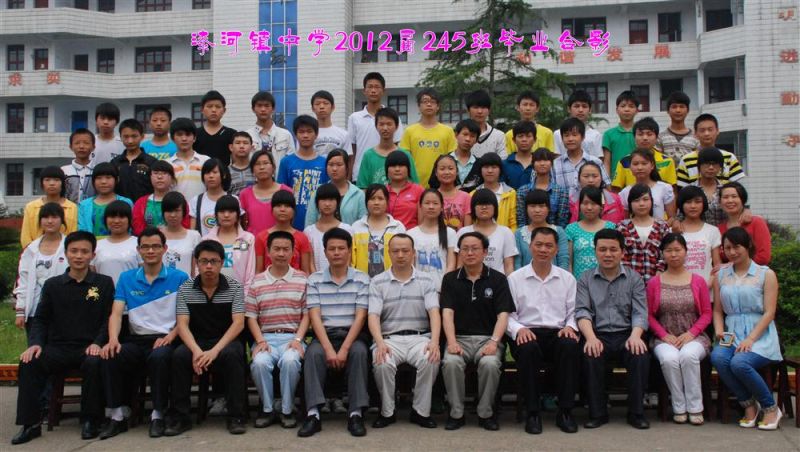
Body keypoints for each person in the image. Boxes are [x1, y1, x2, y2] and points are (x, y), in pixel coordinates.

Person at [11, 231, 113, 445]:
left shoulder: (103, 283)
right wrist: (36, 344)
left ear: (92, 255)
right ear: (66, 254)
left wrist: (97, 343)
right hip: (58, 347)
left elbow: (108, 319)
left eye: (84, 251)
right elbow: (41, 319)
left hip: (89, 347)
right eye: (74, 251)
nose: (79, 256)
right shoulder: (53, 285)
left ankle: (91, 420)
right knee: (29, 362)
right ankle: (31, 424)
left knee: (95, 362)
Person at [99, 227, 189, 439]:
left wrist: (170, 336)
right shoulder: (126, 278)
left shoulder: (179, 277)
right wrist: (113, 339)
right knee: (111, 354)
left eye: (156, 246)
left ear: (164, 249)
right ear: (138, 250)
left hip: (167, 338)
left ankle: (158, 414)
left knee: (159, 357)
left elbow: (186, 315)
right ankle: (117, 415)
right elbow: (116, 313)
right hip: (136, 339)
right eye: (145, 247)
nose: (150, 251)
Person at [166, 240, 247, 436]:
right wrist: (196, 351)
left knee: (234, 355)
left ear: (222, 263)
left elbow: (238, 323)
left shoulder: (235, 287)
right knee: (179, 356)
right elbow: (182, 324)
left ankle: (236, 416)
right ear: (196, 263)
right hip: (197, 341)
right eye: (204, 261)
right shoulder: (186, 288)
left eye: (214, 261)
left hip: (225, 341)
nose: (209, 266)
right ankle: (180, 418)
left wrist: (215, 351)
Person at [299, 228, 371, 438]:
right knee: (313, 354)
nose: (337, 252)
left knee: (359, 353)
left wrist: (345, 348)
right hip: (325, 335)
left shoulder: (362, 278)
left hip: (352, 335)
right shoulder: (314, 280)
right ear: (325, 252)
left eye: (341, 248)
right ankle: (313, 414)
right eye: (332, 249)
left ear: (349, 250)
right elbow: (314, 316)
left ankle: (355, 413)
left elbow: (360, 317)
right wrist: (329, 349)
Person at [575, 228, 650, 430]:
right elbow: (582, 312)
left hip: (627, 333)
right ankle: (597, 413)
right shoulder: (585, 279)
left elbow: (640, 312)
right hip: (598, 334)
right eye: (602, 249)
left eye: (613, 249)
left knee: (639, 355)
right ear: (595, 251)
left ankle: (636, 413)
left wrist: (636, 336)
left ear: (622, 252)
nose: (608, 254)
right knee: (590, 355)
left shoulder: (634, 278)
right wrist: (591, 338)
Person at [508, 227, 580, 434]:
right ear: (530, 246)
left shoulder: (567, 279)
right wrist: (519, 329)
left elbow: (574, 311)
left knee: (569, 346)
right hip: (527, 331)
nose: (543, 250)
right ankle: (532, 413)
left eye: (549, 246)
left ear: (556, 250)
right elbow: (508, 315)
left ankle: (565, 411)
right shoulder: (515, 278)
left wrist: (570, 326)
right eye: (538, 245)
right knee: (528, 349)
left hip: (558, 332)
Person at [440, 231, 514, 431]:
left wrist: (494, 342)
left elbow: (503, 315)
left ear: (485, 252)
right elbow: (447, 314)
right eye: (465, 249)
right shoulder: (450, 279)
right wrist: (451, 342)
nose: (470, 253)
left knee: (490, 364)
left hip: (488, 338)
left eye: (475, 249)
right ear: (459, 252)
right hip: (459, 338)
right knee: (451, 362)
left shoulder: (498, 279)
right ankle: (456, 413)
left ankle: (485, 413)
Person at [711, 227, 783, 430]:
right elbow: (717, 310)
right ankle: (749, 404)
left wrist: (751, 339)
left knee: (739, 363)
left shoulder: (766, 274)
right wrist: (719, 330)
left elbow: (769, 312)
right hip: (731, 333)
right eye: (727, 248)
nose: (732, 252)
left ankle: (770, 407)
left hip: (759, 334)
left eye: (737, 247)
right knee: (718, 357)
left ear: (748, 246)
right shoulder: (721, 275)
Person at [368, 234, 441, 429]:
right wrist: (380, 343)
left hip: (419, 337)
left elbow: (434, 313)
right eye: (395, 251)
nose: (400, 255)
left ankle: (421, 412)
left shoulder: (426, 280)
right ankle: (387, 412)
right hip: (389, 339)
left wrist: (434, 341)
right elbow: (373, 316)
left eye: (405, 250)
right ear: (388, 253)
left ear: (413, 253)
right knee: (382, 362)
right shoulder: (377, 282)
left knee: (430, 358)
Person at [647, 233, 712, 425]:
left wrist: (691, 333)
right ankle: (679, 406)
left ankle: (695, 407)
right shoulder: (654, 282)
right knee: (669, 359)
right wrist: (663, 334)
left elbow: (707, 313)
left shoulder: (698, 281)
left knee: (688, 356)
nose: (673, 254)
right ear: (662, 254)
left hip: (694, 336)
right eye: (669, 250)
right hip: (664, 337)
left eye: (678, 250)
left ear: (685, 252)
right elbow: (648, 315)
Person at [247, 231, 309, 429]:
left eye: (286, 249)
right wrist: (260, 341)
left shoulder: (303, 280)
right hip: (265, 338)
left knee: (290, 361)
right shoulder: (257, 281)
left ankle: (287, 410)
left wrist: (298, 340)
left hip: (292, 337)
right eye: (277, 249)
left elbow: (307, 315)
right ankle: (267, 409)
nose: (281, 253)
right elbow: (251, 316)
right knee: (259, 363)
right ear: (268, 251)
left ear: (293, 252)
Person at [14, 203, 68, 332]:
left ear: (62, 220)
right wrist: (20, 311)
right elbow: (23, 280)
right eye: (45, 217)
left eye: (54, 217)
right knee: (35, 344)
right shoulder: (30, 249)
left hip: (63, 310)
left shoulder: (70, 247)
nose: (50, 221)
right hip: (34, 311)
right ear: (40, 221)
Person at [347, 72, 404, 181]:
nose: (373, 90)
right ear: (364, 91)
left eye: (377, 87)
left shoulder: (393, 117)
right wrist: (349, 178)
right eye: (370, 87)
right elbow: (352, 151)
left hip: (386, 173)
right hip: (360, 174)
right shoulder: (354, 118)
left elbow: (396, 147)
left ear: (383, 91)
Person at [277, 115, 330, 230]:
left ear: (316, 134)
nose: (305, 135)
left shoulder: (324, 163)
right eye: (301, 132)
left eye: (309, 131)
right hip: (292, 224)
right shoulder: (286, 162)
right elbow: (282, 194)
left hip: (319, 223)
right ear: (295, 135)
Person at [400, 88, 456, 188]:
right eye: (425, 101)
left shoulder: (448, 131)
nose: (429, 104)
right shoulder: (409, 131)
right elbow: (404, 159)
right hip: (415, 185)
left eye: (432, 102)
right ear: (419, 106)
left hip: (441, 186)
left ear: (438, 106)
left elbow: (453, 159)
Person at [617, 184, 671, 284]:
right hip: (628, 284)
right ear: (630, 203)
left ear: (651, 201)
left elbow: (666, 253)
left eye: (645, 199)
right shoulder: (622, 227)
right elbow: (620, 256)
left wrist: (659, 273)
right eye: (636, 200)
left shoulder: (662, 227)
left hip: (656, 282)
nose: (641, 204)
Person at [455, 189, 517, 275]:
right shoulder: (463, 232)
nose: (484, 207)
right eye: (480, 204)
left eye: (488, 204)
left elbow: (509, 266)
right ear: (473, 208)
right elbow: (460, 265)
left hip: (497, 281)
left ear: (495, 207)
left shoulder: (505, 232)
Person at [203, 195, 256, 295]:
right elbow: (200, 270)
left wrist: (244, 297)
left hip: (240, 296)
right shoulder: (206, 240)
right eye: (222, 211)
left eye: (231, 211)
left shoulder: (247, 239)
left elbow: (250, 272)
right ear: (216, 215)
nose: (226, 215)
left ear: (238, 215)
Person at [676, 114, 745, 188]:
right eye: (702, 130)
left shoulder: (729, 158)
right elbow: (683, 190)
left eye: (710, 129)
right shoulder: (686, 160)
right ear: (695, 134)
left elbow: (735, 188)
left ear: (717, 131)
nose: (707, 133)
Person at [356, 107, 419, 189]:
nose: (385, 128)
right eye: (381, 124)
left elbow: (415, 186)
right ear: (376, 126)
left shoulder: (405, 155)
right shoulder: (368, 156)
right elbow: (362, 187)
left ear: (396, 126)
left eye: (389, 124)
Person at [352, 184, 406, 278]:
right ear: (366, 202)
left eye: (380, 199)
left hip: (391, 281)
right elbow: (352, 258)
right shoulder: (356, 227)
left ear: (387, 202)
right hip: (361, 281)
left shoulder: (397, 227)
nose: (376, 202)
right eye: (372, 199)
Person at [255, 190, 313, 274]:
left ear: (294, 211)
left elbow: (305, 271)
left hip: (295, 281)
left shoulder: (302, 238)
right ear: (272, 210)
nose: (282, 209)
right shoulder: (261, 237)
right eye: (278, 206)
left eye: (287, 206)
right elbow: (259, 270)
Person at [611, 117, 678, 191]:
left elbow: (673, 190)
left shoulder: (667, 161)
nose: (645, 138)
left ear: (656, 137)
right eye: (640, 134)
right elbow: (616, 190)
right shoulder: (624, 162)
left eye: (649, 134)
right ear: (634, 137)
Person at [408, 189, 456, 290]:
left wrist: (445, 285)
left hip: (442, 288)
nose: (431, 207)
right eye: (427, 203)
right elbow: (410, 265)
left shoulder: (450, 233)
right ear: (420, 206)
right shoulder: (411, 234)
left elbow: (451, 263)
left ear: (442, 207)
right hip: (418, 289)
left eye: (435, 203)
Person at [305, 149, 366, 226]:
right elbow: (310, 222)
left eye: (339, 165)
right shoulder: (318, 191)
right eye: (331, 165)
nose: (334, 169)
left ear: (347, 167)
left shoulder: (358, 194)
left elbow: (363, 224)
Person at [21, 166, 78, 248]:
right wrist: (34, 252)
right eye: (47, 180)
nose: (52, 183)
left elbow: (74, 234)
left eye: (56, 180)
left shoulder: (72, 207)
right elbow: (25, 236)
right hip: (34, 252)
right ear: (41, 184)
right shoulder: (31, 207)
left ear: (63, 183)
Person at [239, 150, 293, 236]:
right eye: (257, 164)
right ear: (252, 170)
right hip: (253, 241)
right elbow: (242, 223)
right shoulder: (245, 194)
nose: (262, 167)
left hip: (281, 241)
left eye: (265, 163)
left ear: (273, 167)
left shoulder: (287, 191)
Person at [565, 187, 616, 278]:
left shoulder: (611, 227)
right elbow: (569, 262)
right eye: (585, 203)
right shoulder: (571, 229)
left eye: (593, 203)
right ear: (579, 205)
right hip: (579, 282)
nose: (589, 207)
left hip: (605, 281)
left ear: (601, 206)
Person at [675, 186, 721, 286]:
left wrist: (708, 285)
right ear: (681, 204)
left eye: (697, 201)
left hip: (707, 289)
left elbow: (717, 265)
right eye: (688, 202)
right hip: (680, 289)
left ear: (703, 204)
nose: (693, 206)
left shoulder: (712, 231)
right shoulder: (674, 231)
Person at [552, 118, 610, 196]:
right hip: (564, 204)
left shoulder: (596, 162)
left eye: (574, 135)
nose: (570, 139)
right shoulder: (555, 164)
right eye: (566, 135)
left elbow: (607, 188)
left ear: (583, 137)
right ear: (562, 138)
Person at [515, 148, 570, 229]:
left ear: (552, 164)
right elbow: (521, 220)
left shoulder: (561, 192)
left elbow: (562, 221)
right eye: (538, 160)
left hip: (553, 234)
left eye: (546, 160)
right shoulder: (523, 191)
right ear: (533, 164)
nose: (542, 163)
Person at [304, 183, 354, 272]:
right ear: (317, 203)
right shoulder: (309, 232)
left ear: (337, 203)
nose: (327, 204)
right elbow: (309, 262)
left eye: (331, 200)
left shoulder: (347, 229)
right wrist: (317, 278)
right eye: (323, 199)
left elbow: (349, 259)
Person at [718, 182, 771, 265]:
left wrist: (731, 266)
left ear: (742, 200)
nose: (730, 200)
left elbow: (763, 257)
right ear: (720, 202)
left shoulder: (756, 222)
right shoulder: (719, 229)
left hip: (754, 272)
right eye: (725, 197)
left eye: (734, 196)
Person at [515, 190, 568, 270]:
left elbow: (563, 260)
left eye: (541, 206)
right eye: (532, 206)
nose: (537, 210)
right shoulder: (519, 233)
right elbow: (517, 263)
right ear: (526, 209)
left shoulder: (559, 231)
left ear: (548, 208)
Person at [77, 163, 133, 238]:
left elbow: (130, 228)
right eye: (99, 178)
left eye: (108, 177)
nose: (103, 182)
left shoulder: (126, 202)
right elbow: (82, 230)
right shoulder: (84, 205)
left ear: (117, 179)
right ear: (93, 181)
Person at [618, 149, 677, 220]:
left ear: (652, 165)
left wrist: (661, 226)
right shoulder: (624, 193)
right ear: (630, 167)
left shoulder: (665, 188)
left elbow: (672, 218)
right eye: (635, 164)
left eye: (644, 163)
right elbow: (625, 220)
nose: (640, 168)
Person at [132, 161, 189, 235]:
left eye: (164, 173)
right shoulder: (141, 202)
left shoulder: (180, 201)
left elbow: (185, 224)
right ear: (150, 177)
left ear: (172, 178)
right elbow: (138, 228)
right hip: (149, 240)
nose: (159, 177)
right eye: (155, 173)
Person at [91, 200, 140, 285]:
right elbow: (92, 273)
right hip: (103, 292)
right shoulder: (96, 245)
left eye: (122, 217)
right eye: (112, 217)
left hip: (131, 291)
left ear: (129, 220)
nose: (116, 221)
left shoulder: (138, 244)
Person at [111, 118, 158, 202]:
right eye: (126, 137)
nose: (130, 141)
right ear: (120, 137)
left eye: (134, 136)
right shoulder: (115, 163)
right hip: (120, 207)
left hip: (145, 207)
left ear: (142, 137)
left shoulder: (152, 162)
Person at [470, 153, 517, 231]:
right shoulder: (472, 195)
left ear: (500, 170)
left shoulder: (510, 193)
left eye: (494, 167)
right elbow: (471, 220)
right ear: (480, 170)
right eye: (486, 167)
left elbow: (513, 223)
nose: (490, 171)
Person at [167, 117, 210, 202]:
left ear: (194, 138)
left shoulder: (205, 161)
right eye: (179, 134)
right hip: (175, 209)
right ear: (172, 138)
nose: (184, 138)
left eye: (188, 134)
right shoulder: (167, 164)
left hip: (201, 209)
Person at [189, 158, 234, 237]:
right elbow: (192, 231)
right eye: (207, 173)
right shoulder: (196, 201)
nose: (211, 176)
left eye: (215, 172)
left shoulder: (234, 200)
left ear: (223, 175)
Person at [161, 192, 201, 276]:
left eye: (177, 210)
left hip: (186, 283)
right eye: (169, 211)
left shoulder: (194, 236)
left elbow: (196, 269)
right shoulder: (157, 236)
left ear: (184, 212)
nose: (173, 215)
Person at [554, 90, 603, 159]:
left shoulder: (596, 135)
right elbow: (556, 159)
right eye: (576, 106)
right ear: (569, 109)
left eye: (584, 106)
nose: (580, 110)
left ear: (590, 110)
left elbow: (598, 161)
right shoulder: (558, 134)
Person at [428, 154, 472, 230]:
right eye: (442, 169)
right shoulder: (429, 197)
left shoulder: (466, 197)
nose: (447, 172)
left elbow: (467, 230)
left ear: (457, 171)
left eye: (450, 168)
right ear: (436, 173)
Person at [194, 90, 236, 167]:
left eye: (218, 107)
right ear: (202, 110)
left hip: (224, 174)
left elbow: (236, 161)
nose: (213, 110)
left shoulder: (232, 134)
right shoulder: (195, 134)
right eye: (209, 106)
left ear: (224, 110)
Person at [602, 91, 639, 177]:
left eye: (631, 106)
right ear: (617, 110)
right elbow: (607, 162)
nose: (627, 109)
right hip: (616, 181)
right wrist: (608, 182)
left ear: (637, 110)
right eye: (623, 106)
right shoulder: (608, 134)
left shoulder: (641, 134)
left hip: (638, 179)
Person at [656, 91, 700, 163]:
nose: (678, 110)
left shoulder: (696, 138)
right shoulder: (660, 137)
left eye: (682, 107)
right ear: (668, 110)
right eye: (674, 107)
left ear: (688, 110)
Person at [385, 150, 425, 229]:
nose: (397, 169)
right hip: (387, 234)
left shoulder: (419, 191)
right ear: (387, 170)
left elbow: (423, 222)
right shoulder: (382, 191)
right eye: (393, 166)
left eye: (401, 165)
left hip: (412, 234)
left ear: (408, 169)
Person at [463, 89, 506, 159]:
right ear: (468, 111)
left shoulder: (499, 136)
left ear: (489, 111)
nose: (480, 111)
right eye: (476, 107)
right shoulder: (461, 135)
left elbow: (502, 161)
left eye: (483, 107)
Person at [62, 128, 96, 204]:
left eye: (86, 143)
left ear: (93, 147)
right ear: (71, 147)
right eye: (77, 143)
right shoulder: (63, 171)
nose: (81, 146)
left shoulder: (97, 170)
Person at [311, 90, 349, 158]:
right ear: (312, 109)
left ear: (333, 107)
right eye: (317, 104)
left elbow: (347, 159)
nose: (322, 106)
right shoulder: (307, 134)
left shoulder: (344, 134)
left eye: (326, 103)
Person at [503, 121, 537, 190]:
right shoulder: (505, 164)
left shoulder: (540, 163)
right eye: (520, 136)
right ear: (514, 140)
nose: (524, 140)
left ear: (534, 140)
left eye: (528, 136)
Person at [450, 119, 480, 189]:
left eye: (472, 136)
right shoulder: (443, 161)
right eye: (465, 134)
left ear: (476, 140)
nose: (468, 139)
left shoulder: (479, 164)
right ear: (456, 135)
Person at [228, 131, 256, 196]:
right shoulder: (225, 172)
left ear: (251, 148)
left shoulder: (257, 170)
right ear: (231, 147)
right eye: (238, 143)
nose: (241, 146)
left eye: (245, 143)